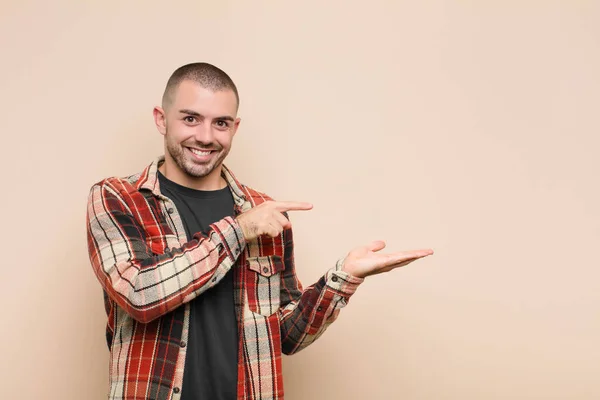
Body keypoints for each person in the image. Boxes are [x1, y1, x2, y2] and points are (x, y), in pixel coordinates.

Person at [86, 62, 433, 400]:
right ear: (162, 120)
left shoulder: (264, 211)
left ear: (235, 128)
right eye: (190, 119)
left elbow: (286, 336)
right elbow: (139, 295)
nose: (205, 137)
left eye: (220, 123)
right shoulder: (118, 197)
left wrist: (342, 279)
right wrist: (239, 229)